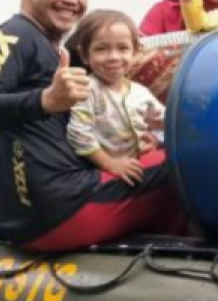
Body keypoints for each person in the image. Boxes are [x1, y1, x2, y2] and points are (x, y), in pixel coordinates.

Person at [0, 0, 188, 251]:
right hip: (60, 210)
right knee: (185, 160)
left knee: (148, 155)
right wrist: (45, 101)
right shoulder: (13, 35)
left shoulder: (52, 48)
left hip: (38, 213)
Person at [66, 10, 164, 184]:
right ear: (84, 55)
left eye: (123, 48)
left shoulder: (140, 92)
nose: (113, 57)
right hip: (104, 173)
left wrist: (156, 138)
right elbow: (79, 135)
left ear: (135, 51)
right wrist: (111, 164)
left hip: (136, 165)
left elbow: (165, 120)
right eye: (101, 49)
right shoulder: (87, 90)